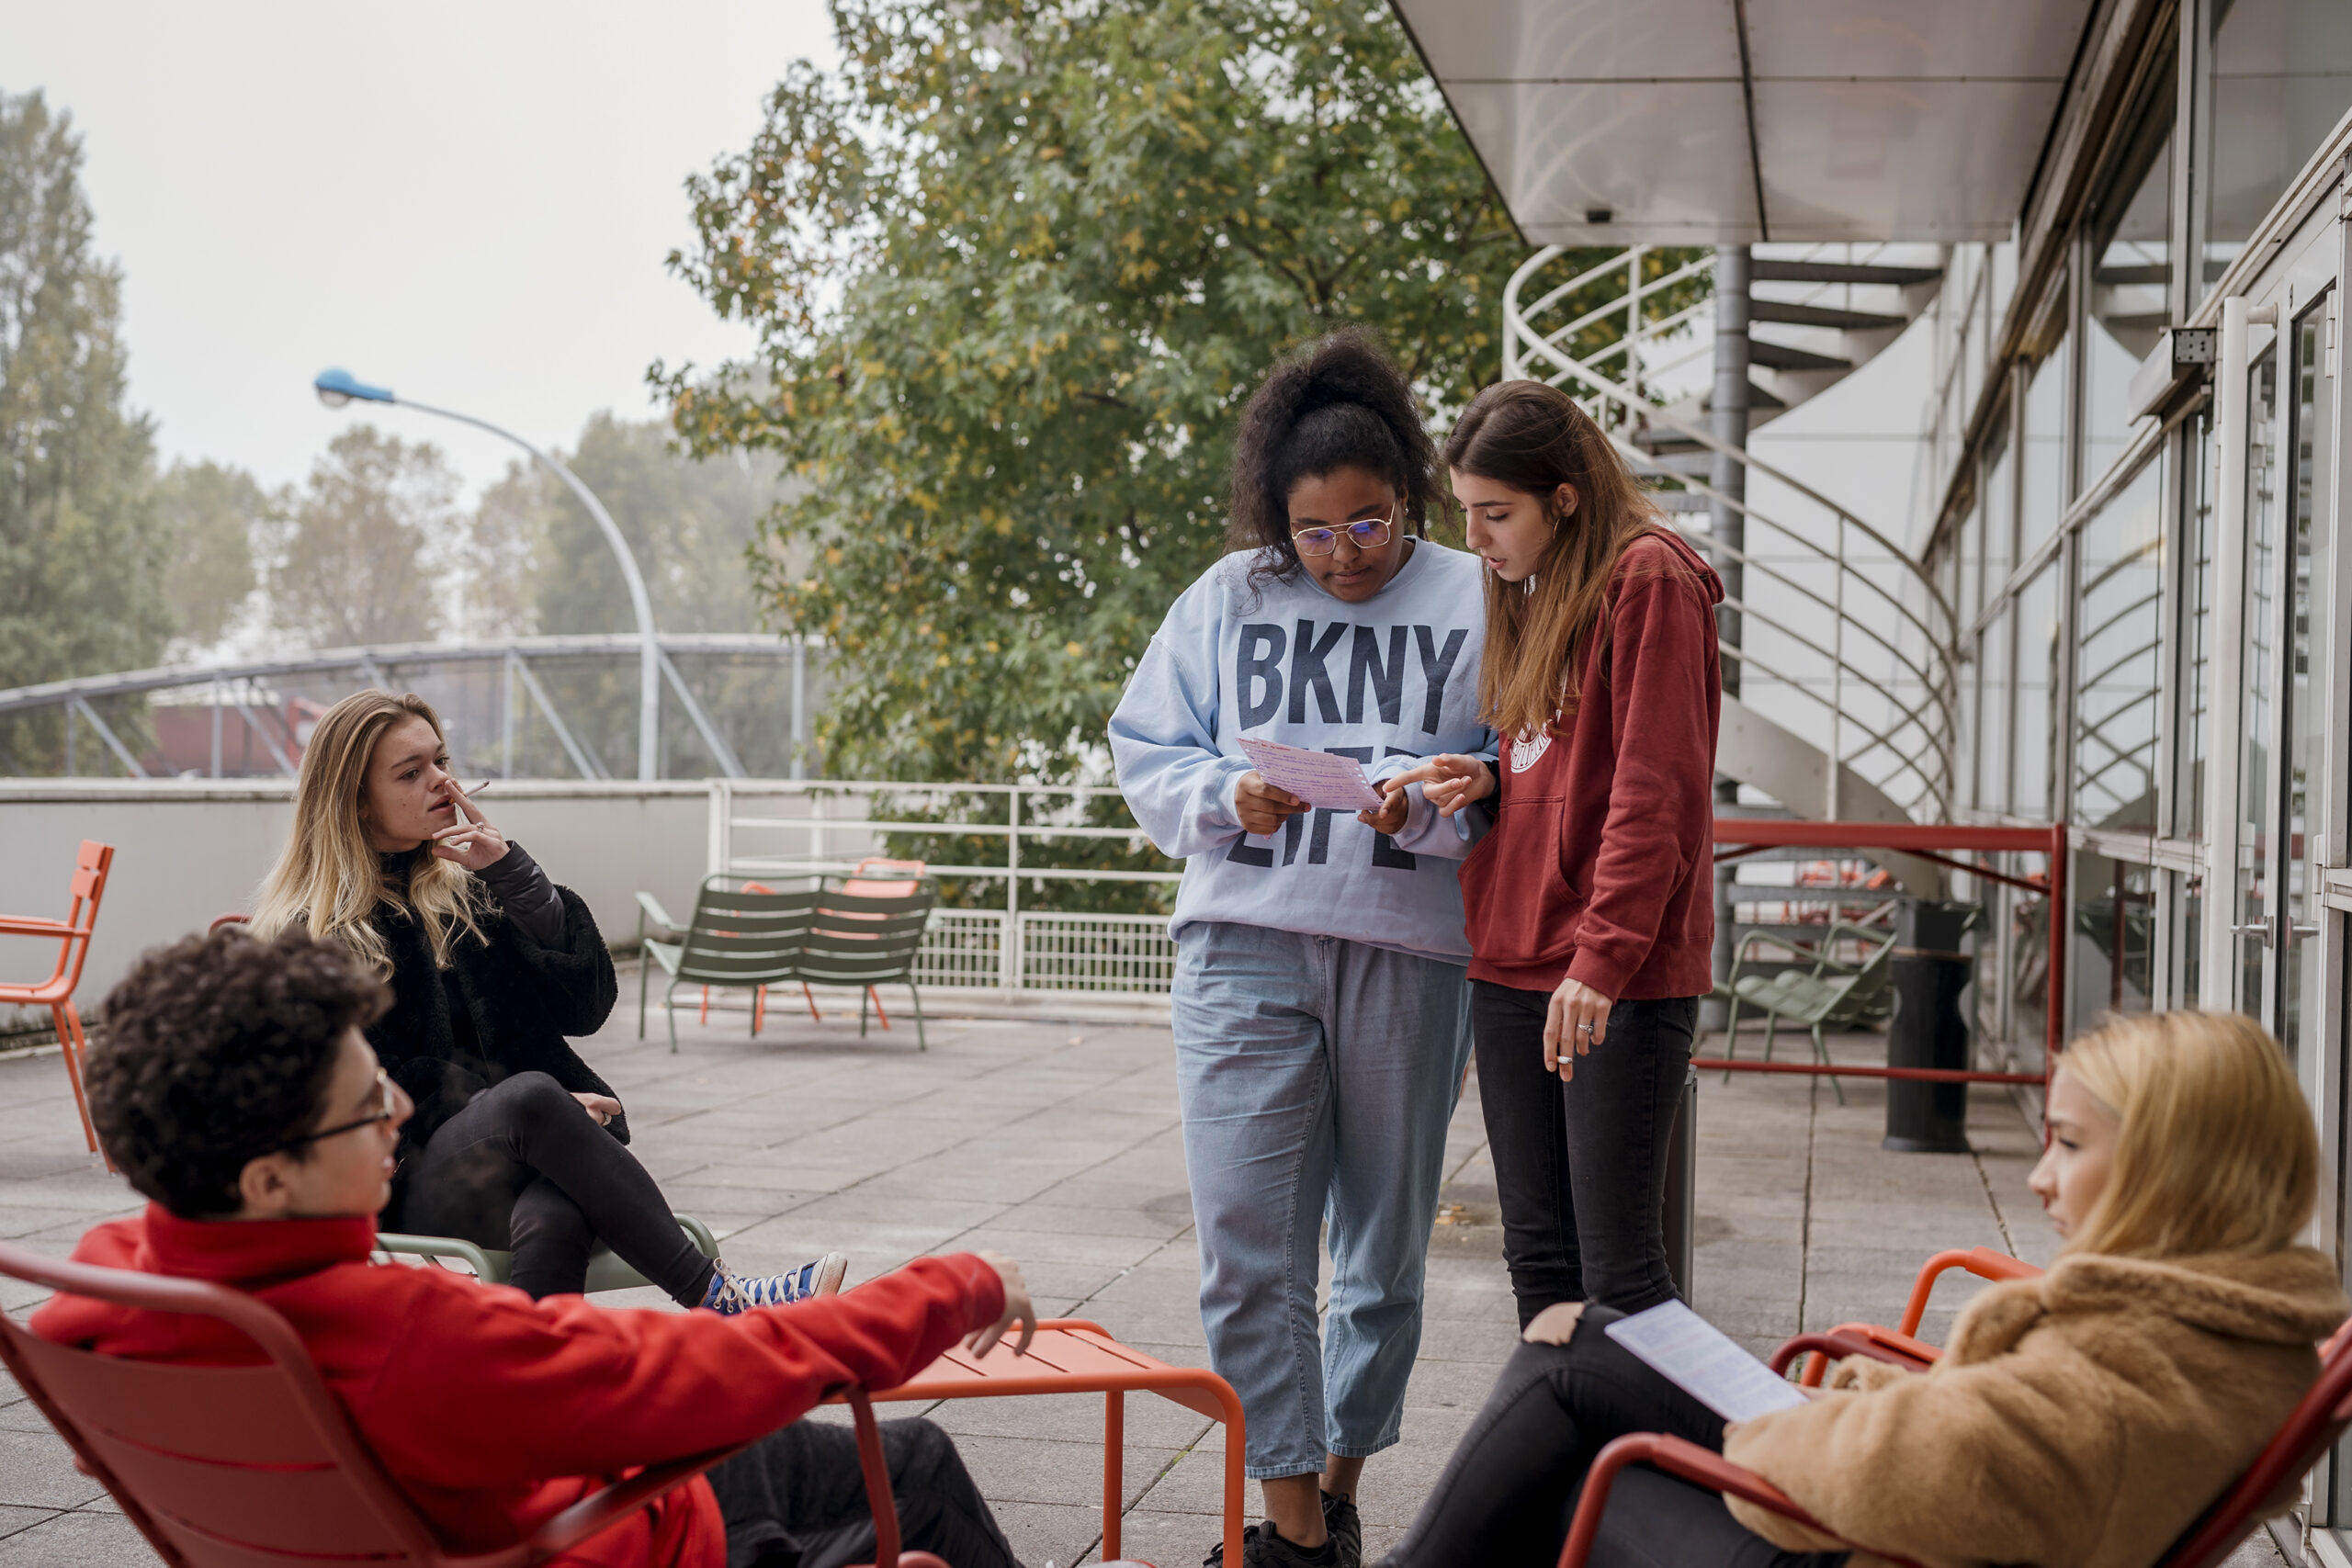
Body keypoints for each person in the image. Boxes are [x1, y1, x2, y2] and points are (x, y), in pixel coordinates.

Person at [40, 928, 1032, 1568]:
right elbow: (725, 1364)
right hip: (618, 1532)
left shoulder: (100, 1291)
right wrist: (957, 1284)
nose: (398, 1113)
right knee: (917, 1462)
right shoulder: (403, 1336)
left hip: (476, 1502)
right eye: (364, 1106)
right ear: (266, 1181)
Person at [1377, 1009, 2351, 1568]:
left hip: (1853, 1546)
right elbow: (1982, 1444)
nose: (2038, 1175)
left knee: (1570, 1426)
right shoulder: (2210, 1336)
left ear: (2174, 1168)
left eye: (2068, 1143)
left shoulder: (2141, 1373)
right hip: (1877, 1517)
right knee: (1579, 1340)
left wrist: (1778, 1422)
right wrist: (1829, 1406)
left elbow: (1931, 1466)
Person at [1108, 329, 1494, 1568]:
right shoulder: (1228, 595)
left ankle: (1335, 1484)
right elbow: (1149, 751)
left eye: (1368, 526)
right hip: (1244, 944)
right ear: (1275, 517)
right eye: (1312, 532)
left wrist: (1440, 795)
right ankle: (1288, 1532)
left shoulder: (1478, 594)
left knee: (1380, 1260)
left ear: (1409, 499)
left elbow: (1519, 769)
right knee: (1246, 1247)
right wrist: (1229, 793)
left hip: (1410, 950)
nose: (1340, 555)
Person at [250, 689, 843, 1312]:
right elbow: (363, 1088)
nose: (443, 783)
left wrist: (513, 874)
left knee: (557, 1210)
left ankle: (528, 1386)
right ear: (358, 804)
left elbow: (584, 1006)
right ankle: (722, 1296)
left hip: (524, 1151)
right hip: (403, 1174)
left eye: (442, 760)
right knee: (534, 1098)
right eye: (411, 771)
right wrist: (523, 1111)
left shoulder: (469, 894)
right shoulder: (314, 934)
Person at [1384, 380, 1722, 1325]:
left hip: (1609, 976)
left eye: (1497, 514)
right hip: (1512, 961)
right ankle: (1585, 1479)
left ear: (1564, 498)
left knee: (1621, 1280)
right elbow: (1570, 755)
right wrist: (1493, 776)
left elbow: (1654, 795)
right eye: (1467, 514)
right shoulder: (1531, 589)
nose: (1477, 539)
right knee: (1539, 1262)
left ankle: (1728, 1457)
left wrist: (1602, 960)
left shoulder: (1650, 579)